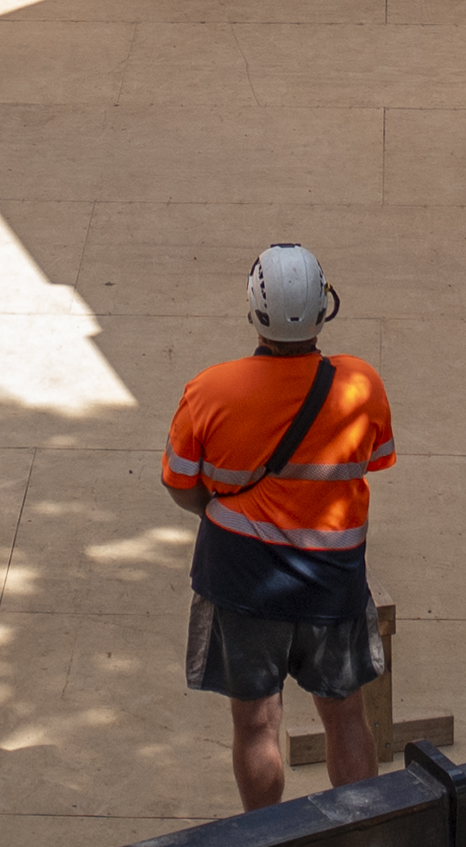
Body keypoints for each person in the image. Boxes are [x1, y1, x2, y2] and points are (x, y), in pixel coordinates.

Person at [162, 242, 395, 810]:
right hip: (331, 583)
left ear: (253, 311)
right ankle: (365, 831)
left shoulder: (209, 390)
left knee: (256, 725)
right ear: (323, 308)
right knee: (346, 717)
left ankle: (265, 834)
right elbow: (374, 459)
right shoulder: (361, 384)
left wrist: (216, 511)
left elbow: (179, 482)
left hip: (241, 585)